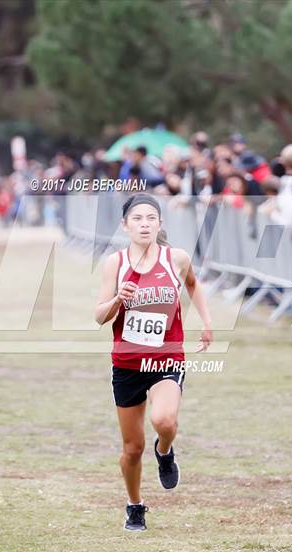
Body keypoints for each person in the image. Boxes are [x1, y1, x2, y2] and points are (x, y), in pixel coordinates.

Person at [95, 194, 213, 532]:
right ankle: (135, 506)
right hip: (128, 363)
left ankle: (166, 451)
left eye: (150, 218)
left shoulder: (175, 258)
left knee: (165, 421)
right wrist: (118, 299)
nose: (144, 224)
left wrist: (206, 322)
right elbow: (99, 317)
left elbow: (193, 284)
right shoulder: (115, 264)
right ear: (125, 225)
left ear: (160, 223)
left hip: (166, 358)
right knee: (132, 448)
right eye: (137, 218)